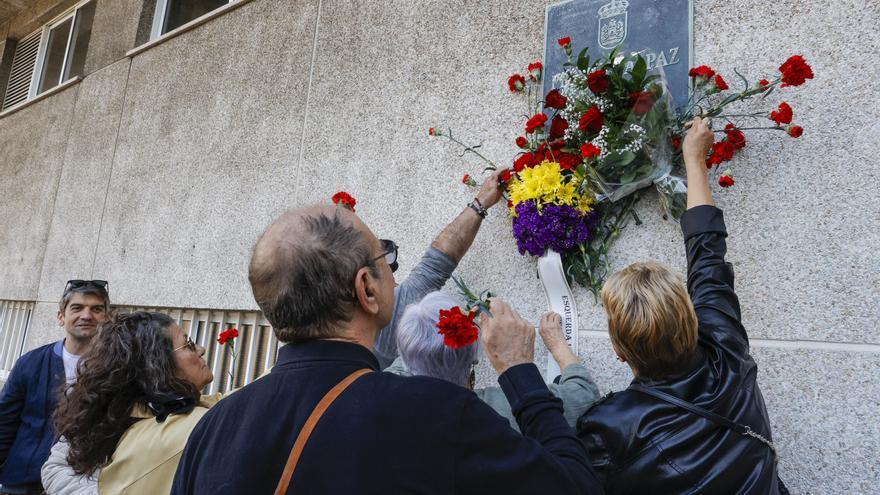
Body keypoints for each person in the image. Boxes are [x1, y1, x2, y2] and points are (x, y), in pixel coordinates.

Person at [172, 205, 603, 494]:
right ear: (366, 289)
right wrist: (518, 369)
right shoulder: (434, 412)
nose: (395, 275)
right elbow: (574, 486)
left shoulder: (213, 428)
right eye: (387, 259)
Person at [577, 117, 783, 493]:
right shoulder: (725, 346)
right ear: (691, 316)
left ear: (618, 351)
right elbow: (707, 255)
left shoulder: (609, 427)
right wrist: (694, 159)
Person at [41, 312, 218, 494]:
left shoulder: (191, 408)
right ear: (157, 363)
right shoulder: (107, 409)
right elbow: (56, 467)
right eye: (187, 344)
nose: (201, 349)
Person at [386, 290, 600, 429]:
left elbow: (416, 353)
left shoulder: (383, 399)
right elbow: (584, 394)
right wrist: (555, 346)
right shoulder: (499, 410)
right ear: (473, 357)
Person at [372, 170, 505, 368]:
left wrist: (481, 203)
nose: (395, 280)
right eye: (388, 264)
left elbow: (434, 266)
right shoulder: (383, 320)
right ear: (363, 286)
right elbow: (433, 267)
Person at [0, 280, 109, 495]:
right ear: (61, 317)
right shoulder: (30, 363)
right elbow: (4, 424)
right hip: (21, 482)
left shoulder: (116, 370)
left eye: (96, 309)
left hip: (79, 485)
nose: (87, 316)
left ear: (106, 318)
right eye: (77, 308)